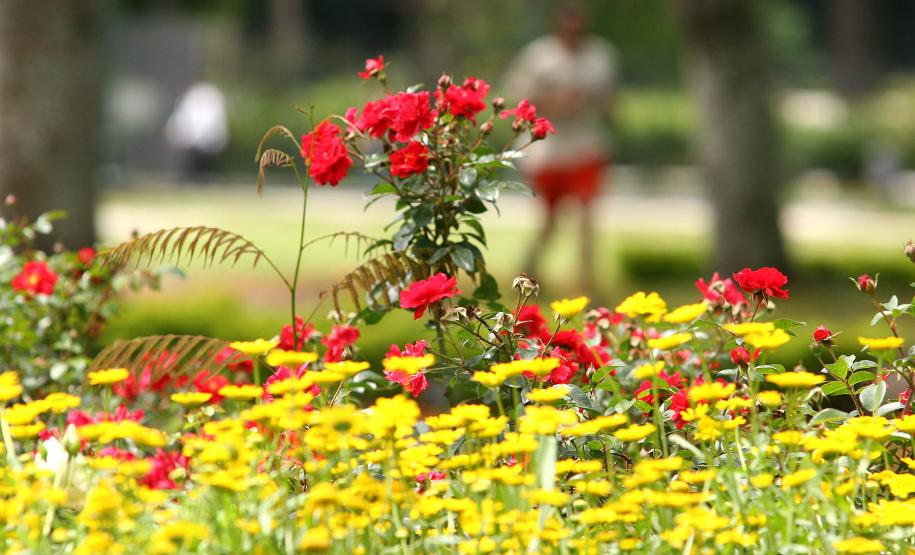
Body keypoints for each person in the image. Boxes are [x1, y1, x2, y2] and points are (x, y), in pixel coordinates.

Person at [503, 1, 617, 294]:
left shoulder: (599, 56)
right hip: (549, 151)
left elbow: (611, 102)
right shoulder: (539, 57)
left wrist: (597, 103)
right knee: (549, 220)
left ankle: (587, 282)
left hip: (586, 146)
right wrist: (557, 100)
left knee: (587, 218)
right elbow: (518, 98)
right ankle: (527, 273)